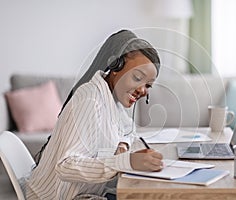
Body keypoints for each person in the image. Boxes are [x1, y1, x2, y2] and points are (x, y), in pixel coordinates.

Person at [24, 30, 163, 200]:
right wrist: (127, 161)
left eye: (148, 85)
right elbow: (65, 165)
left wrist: (123, 147)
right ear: (116, 66)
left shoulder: (113, 99)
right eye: (137, 77)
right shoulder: (90, 99)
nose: (142, 90)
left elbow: (129, 131)